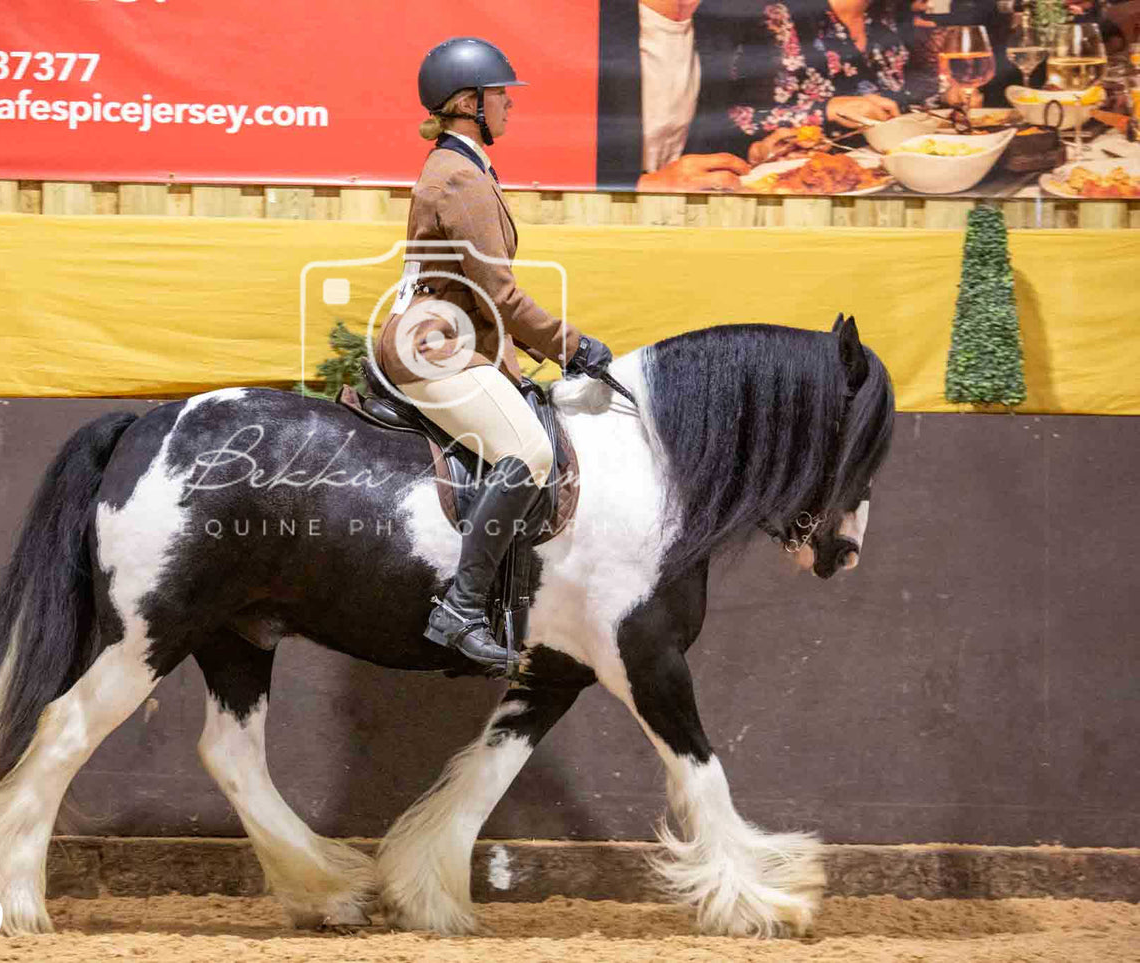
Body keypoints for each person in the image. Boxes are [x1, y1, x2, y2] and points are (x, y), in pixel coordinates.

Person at [375, 37, 618, 669]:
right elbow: (502, 297)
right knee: (530, 451)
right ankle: (459, 610)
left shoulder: (468, 169)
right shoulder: (459, 177)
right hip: (431, 345)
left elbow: (485, 303)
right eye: (499, 94)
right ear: (467, 103)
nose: (510, 104)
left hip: (452, 340)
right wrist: (574, 346)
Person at [695, 0, 934, 157]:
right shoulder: (770, 16)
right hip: (788, 192)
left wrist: (954, 95)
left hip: (883, 181)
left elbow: (913, 100)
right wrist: (827, 109)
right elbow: (726, 120)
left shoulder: (891, 17)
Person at [597, 0, 754, 190]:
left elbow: (700, 146)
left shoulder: (716, 27)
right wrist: (646, 185)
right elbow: (557, 163)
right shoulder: (588, 22)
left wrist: (754, 153)